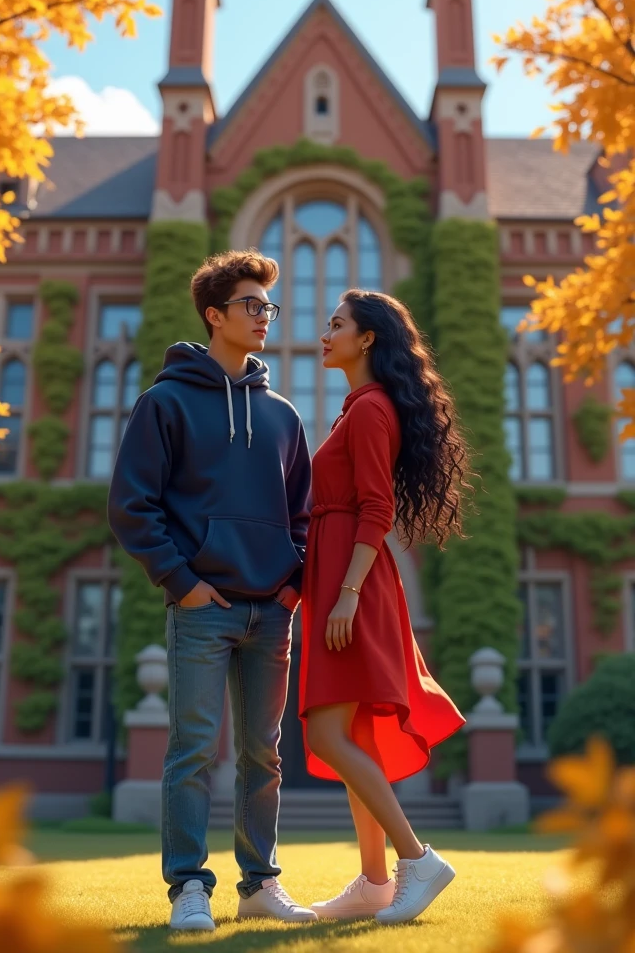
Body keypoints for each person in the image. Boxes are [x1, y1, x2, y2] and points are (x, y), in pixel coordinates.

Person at [108, 250, 317, 932]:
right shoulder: (164, 402)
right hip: (202, 609)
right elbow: (131, 506)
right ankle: (188, 888)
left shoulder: (284, 415)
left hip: (271, 613)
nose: (264, 318)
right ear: (214, 315)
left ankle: (259, 883)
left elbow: (303, 517)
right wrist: (183, 582)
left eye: (268, 307)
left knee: (265, 755)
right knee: (193, 751)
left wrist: (292, 587)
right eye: (251, 306)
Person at [300, 288, 469, 925]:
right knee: (354, 733)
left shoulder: (370, 410)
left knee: (325, 732)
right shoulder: (359, 408)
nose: (326, 333)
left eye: (336, 324)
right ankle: (374, 882)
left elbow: (377, 508)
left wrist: (345, 594)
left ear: (367, 338)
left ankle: (416, 860)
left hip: (354, 581)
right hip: (342, 574)